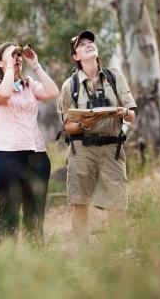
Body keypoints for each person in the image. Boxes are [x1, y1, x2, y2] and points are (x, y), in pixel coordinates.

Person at [57, 30, 136, 243]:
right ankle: (83, 253)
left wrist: (123, 113)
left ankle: (117, 249)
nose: (89, 44)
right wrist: (84, 124)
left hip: (113, 148)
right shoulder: (69, 86)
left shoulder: (114, 77)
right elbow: (67, 126)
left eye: (90, 41)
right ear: (76, 56)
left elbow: (131, 114)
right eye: (82, 44)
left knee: (118, 203)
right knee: (80, 202)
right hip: (81, 150)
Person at [0, 42, 60, 243]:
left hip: (37, 156)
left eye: (18, 56)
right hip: (8, 157)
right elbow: (4, 95)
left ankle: (35, 265)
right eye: (11, 55)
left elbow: (52, 93)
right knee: (9, 216)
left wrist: (36, 65)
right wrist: (8, 67)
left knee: (35, 217)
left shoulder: (29, 85)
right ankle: (5, 265)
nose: (17, 59)